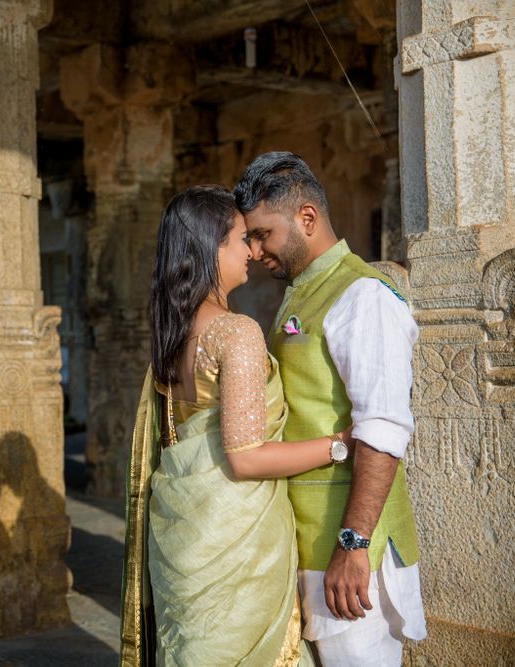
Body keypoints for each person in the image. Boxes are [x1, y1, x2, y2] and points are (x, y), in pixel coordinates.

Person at [121, 185, 356, 666]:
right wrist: (340, 445)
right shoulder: (236, 332)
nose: (252, 251)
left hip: (187, 536)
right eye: (240, 239)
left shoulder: (174, 333)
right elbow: (247, 457)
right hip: (237, 545)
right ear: (211, 247)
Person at [233, 152, 426, 666]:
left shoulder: (363, 296)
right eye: (248, 238)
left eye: (262, 235)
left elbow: (383, 429)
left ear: (307, 218)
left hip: (346, 559)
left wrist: (352, 544)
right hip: (311, 548)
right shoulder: (303, 293)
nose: (255, 250)